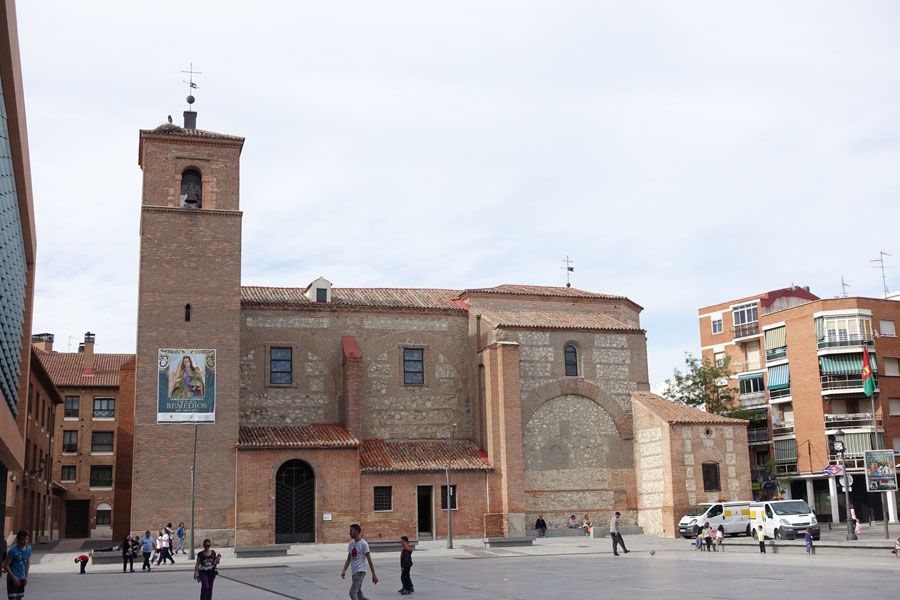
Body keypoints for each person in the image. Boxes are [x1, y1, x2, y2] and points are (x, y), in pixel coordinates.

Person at [341, 523, 378, 600]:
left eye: (351, 531)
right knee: (359, 595)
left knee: (352, 593)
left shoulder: (364, 544)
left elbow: (369, 559)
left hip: (361, 571)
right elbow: (348, 559)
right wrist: (344, 570)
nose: (349, 533)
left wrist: (374, 574)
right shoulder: (351, 543)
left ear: (357, 532)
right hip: (354, 572)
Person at [3, 530, 31, 599]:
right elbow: (6, 565)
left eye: (26, 539)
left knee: (19, 597)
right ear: (18, 540)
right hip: (12, 579)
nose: (24, 541)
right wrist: (14, 578)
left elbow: (27, 561)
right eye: (22, 539)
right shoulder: (13, 551)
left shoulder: (29, 549)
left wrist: (26, 576)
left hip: (22, 578)